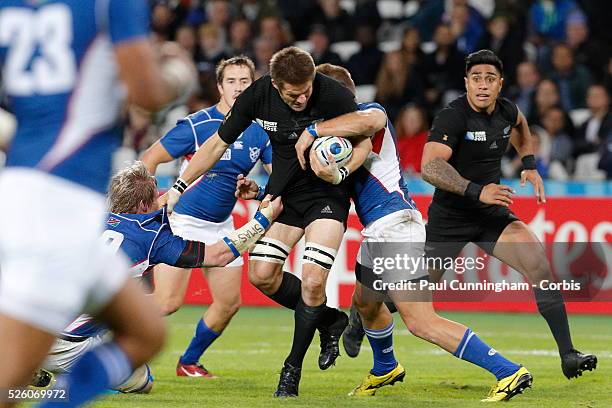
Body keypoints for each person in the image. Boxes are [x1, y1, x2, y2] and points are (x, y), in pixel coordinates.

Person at [290, 63, 531, 402]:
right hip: (378, 232)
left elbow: (369, 122)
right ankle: (384, 367)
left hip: (396, 228)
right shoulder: (339, 135)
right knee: (365, 302)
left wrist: (313, 130)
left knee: (421, 322)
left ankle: (509, 371)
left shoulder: (367, 113)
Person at [0, 1, 196, 407]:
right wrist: (179, 73)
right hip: (56, 204)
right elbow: (148, 93)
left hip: (39, 191)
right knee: (8, 384)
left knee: (145, 334)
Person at [159, 46, 359, 397]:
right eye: (294, 94)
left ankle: (291, 371)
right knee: (261, 275)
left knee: (313, 280)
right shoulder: (257, 97)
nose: (302, 98)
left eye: (307, 90)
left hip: (328, 196)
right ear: (276, 86)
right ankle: (331, 319)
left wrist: (341, 172)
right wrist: (177, 187)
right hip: (286, 199)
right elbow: (215, 146)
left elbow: (367, 138)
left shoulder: (332, 94)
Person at [420, 49, 597, 380]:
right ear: (466, 84)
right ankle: (364, 318)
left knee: (538, 264)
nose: (483, 86)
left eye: (490, 79)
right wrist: (477, 190)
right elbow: (430, 166)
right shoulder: (452, 116)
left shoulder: (507, 110)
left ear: (500, 84)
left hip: (490, 213)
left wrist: (529, 165)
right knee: (414, 296)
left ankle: (568, 354)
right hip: (451, 218)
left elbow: (520, 126)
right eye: (476, 79)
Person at [36, 162, 282, 393]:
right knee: (144, 382)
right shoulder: (152, 237)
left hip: (33, 324)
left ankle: (34, 362)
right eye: (155, 196)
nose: (160, 198)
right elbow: (219, 255)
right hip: (69, 345)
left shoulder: (92, 219)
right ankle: (73, 372)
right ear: (143, 205)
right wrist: (262, 220)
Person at [141, 56, 273, 378]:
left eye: (245, 82)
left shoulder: (260, 131)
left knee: (228, 304)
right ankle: (91, 340)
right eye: (232, 81)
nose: (239, 88)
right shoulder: (198, 125)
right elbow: (150, 159)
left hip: (221, 227)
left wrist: (257, 190)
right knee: (168, 302)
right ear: (219, 86)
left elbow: (278, 177)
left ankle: (188, 362)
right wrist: (144, 208)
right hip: (182, 223)